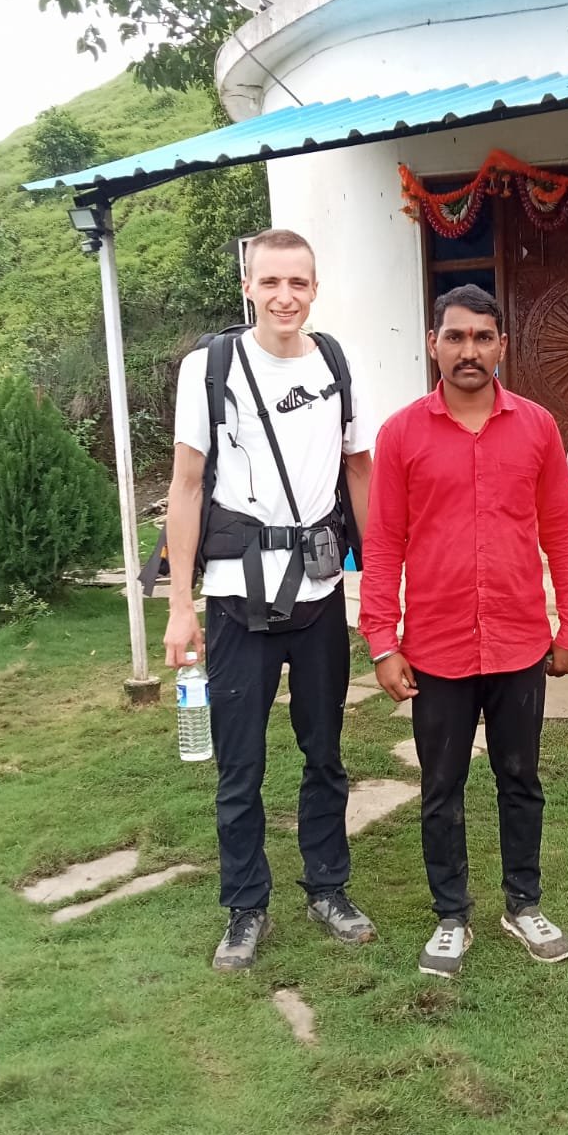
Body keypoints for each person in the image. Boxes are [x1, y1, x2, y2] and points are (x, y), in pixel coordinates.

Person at [360, 284, 568, 978]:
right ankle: (450, 916)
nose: (469, 351)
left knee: (520, 778)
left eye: (482, 337)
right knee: (442, 787)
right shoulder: (401, 434)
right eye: (455, 336)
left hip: (519, 640)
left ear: (502, 347)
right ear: (433, 343)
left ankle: (524, 904)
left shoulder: (537, 427)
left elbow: (562, 531)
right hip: (437, 647)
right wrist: (382, 639)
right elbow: (383, 542)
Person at [163, 228, 377, 971]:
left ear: (315, 289)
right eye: (271, 282)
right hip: (235, 601)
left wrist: (378, 580)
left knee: (326, 753)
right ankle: (245, 907)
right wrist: (180, 604)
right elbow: (187, 485)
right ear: (248, 286)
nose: (286, 296)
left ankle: (329, 888)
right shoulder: (209, 368)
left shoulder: (338, 364)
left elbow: (359, 471)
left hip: (319, 597)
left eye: (299, 283)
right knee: (240, 765)